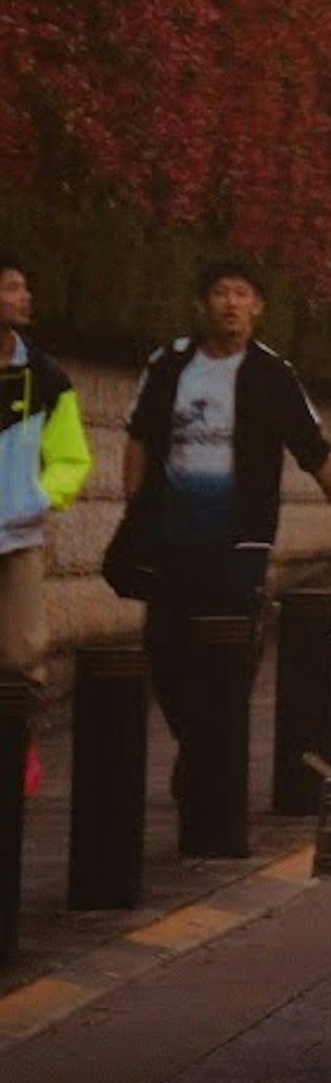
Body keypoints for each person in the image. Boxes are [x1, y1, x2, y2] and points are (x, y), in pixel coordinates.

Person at [121, 259, 331, 809]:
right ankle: (197, 743)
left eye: (242, 294)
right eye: (221, 293)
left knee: (230, 656)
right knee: (165, 649)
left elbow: (315, 453)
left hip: (241, 541)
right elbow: (138, 438)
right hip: (171, 537)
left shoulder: (272, 374)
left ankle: (208, 766)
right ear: (202, 303)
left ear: (258, 307)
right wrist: (136, 515)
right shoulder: (170, 364)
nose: (230, 303)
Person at [2, 259, 94, 794]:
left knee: (20, 654)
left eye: (23, 285)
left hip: (15, 536)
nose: (25, 295)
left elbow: (71, 457)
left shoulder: (46, 377)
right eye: (12, 286)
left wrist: (37, 497)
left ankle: (19, 747)